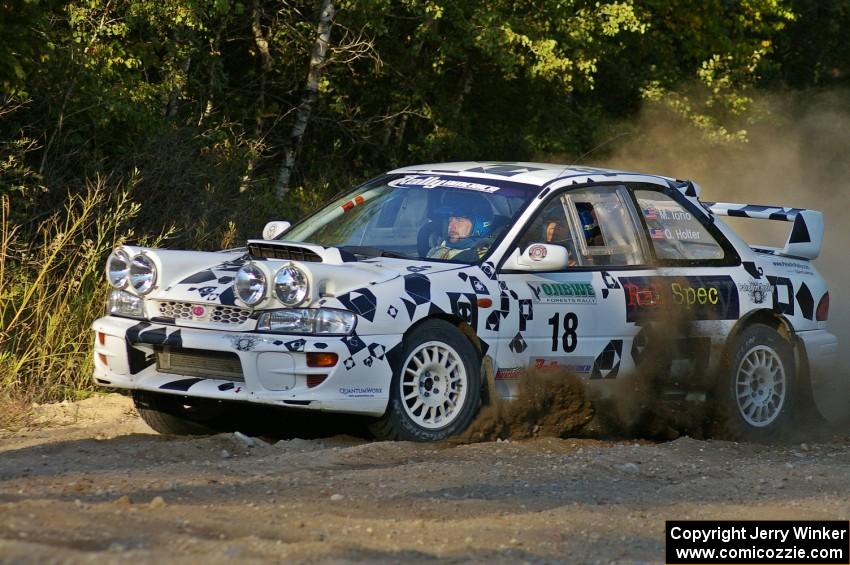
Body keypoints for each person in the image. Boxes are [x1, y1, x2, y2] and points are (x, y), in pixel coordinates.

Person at [427, 196, 494, 261]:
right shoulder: (438, 248)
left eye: (459, 220)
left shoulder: (482, 258)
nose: (451, 226)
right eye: (450, 220)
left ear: (479, 225)